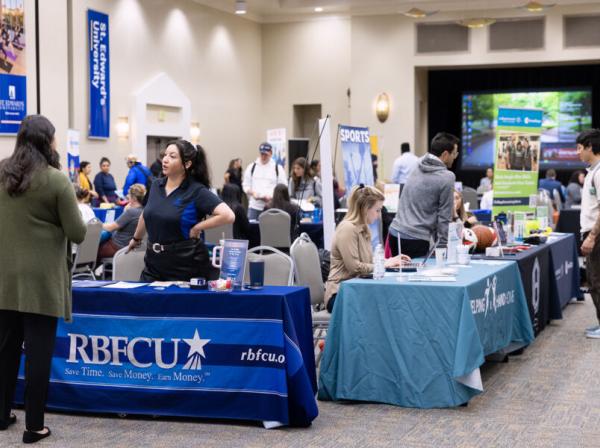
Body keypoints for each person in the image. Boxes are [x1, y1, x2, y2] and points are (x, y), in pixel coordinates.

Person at [0, 115, 87, 443]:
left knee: (4, 352)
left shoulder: (1, 172)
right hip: (41, 283)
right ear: (46, 142)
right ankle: (34, 426)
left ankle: (1, 414)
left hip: (4, 279)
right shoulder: (55, 180)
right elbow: (77, 231)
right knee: (37, 356)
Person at [128, 140, 234, 281]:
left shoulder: (196, 190)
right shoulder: (156, 185)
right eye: (165, 155)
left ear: (187, 164)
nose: (165, 160)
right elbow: (146, 214)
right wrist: (136, 239)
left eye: (172, 156)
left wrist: (197, 227)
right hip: (153, 262)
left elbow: (228, 215)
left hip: (185, 263)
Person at [325, 185, 410, 313]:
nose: (379, 214)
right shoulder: (348, 229)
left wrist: (390, 260)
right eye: (377, 210)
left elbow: (369, 263)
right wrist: (385, 264)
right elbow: (354, 267)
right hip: (340, 293)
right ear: (365, 209)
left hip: (356, 288)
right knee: (387, 305)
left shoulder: (363, 229)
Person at [388, 132, 459, 259]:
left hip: (394, 233)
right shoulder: (447, 177)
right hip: (415, 239)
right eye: (454, 154)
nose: (455, 157)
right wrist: (442, 248)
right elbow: (444, 216)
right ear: (445, 154)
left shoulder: (418, 162)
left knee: (399, 277)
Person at [577, 129, 600, 339]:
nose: (577, 153)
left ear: (590, 147)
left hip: (597, 234)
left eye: (579, 148)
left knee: (596, 281)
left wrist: (592, 236)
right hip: (593, 233)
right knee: (594, 281)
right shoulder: (592, 171)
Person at [98, 183, 146, 259]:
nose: (127, 197)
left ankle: (88, 269)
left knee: (93, 249)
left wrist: (98, 224)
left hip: (117, 246)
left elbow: (110, 228)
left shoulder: (131, 212)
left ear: (134, 198)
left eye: (129, 195)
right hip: (129, 246)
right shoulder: (143, 211)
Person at [242, 142, 287, 220]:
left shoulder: (278, 168)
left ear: (271, 153)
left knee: (270, 230)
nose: (263, 156)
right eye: (262, 154)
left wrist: (272, 197)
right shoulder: (252, 167)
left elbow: (283, 187)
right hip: (254, 206)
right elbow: (245, 185)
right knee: (252, 230)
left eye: (266, 154)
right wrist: (253, 193)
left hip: (272, 206)